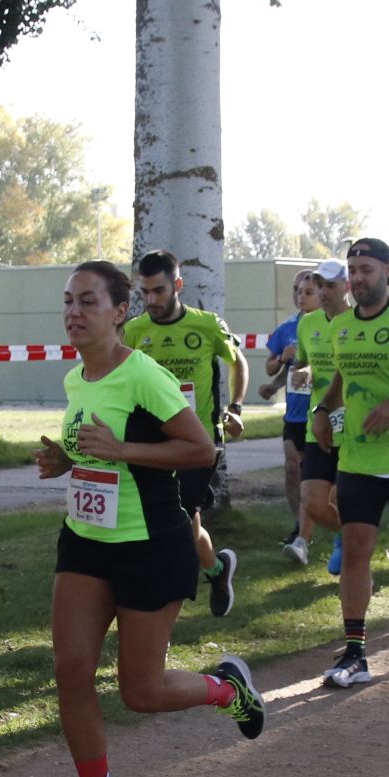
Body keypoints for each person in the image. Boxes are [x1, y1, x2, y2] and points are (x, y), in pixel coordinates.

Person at [32, 261, 265, 777]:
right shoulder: (76, 379)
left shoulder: (144, 376)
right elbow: (99, 454)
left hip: (150, 543)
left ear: (120, 312)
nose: (74, 313)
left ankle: (226, 689)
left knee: (141, 691)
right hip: (85, 540)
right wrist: (66, 460)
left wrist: (123, 449)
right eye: (68, 301)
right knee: (71, 670)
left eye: (88, 301)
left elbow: (200, 449)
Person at [311, 238, 389, 688]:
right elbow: (341, 381)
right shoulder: (340, 326)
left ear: (388, 271)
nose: (358, 277)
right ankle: (355, 651)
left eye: (366, 268)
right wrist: (323, 411)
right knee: (356, 550)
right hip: (358, 458)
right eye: (353, 269)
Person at [122, 250, 247, 617]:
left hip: (200, 442)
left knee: (177, 517)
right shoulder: (133, 332)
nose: (150, 301)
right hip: (151, 444)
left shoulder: (207, 325)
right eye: (143, 292)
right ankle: (217, 569)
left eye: (158, 291)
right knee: (187, 523)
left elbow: (237, 362)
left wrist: (235, 408)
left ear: (177, 285)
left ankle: (161, 599)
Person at [294, 261, 352, 577]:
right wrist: (302, 373)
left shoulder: (359, 322)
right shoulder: (308, 323)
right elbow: (305, 363)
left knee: (344, 497)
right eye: (320, 285)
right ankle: (349, 537)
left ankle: (354, 554)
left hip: (355, 425)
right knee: (314, 501)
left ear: (346, 286)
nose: (324, 291)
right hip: (318, 422)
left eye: (330, 285)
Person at [261, 270, 318, 564]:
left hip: (322, 411)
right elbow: (273, 367)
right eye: (297, 291)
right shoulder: (287, 328)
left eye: (307, 291)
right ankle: (300, 526)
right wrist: (278, 369)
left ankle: (317, 527)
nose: (300, 296)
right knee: (292, 469)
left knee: (316, 475)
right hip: (295, 414)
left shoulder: (328, 326)